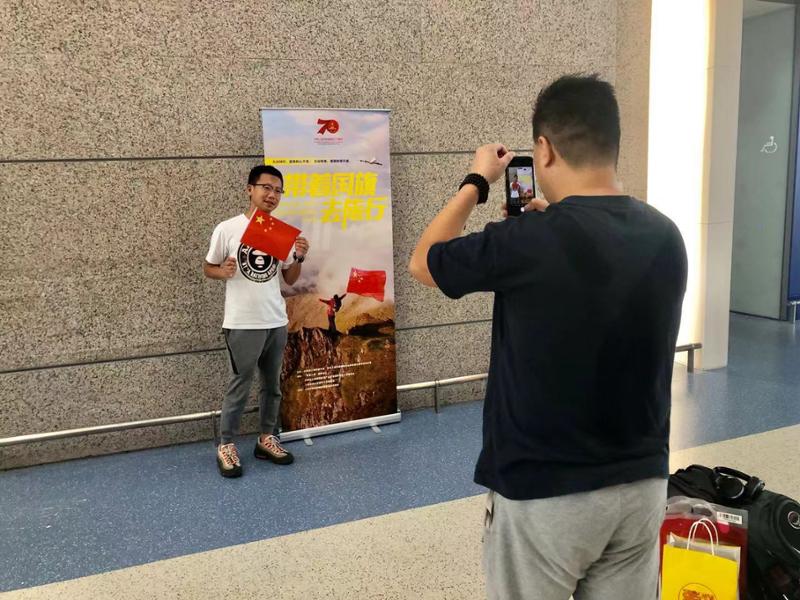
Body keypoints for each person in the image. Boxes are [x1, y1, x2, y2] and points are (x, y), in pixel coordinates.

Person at [408, 74, 687, 599]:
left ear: (545, 149)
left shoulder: (528, 240)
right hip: (642, 484)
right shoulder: (666, 234)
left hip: (545, 490)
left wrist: (476, 180)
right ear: (612, 142)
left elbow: (423, 261)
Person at [204, 164, 310, 478]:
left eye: (278, 190)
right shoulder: (228, 229)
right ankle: (226, 444)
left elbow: (290, 278)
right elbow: (208, 267)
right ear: (250, 189)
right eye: (266, 187)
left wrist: (299, 257)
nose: (272, 195)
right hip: (242, 322)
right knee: (239, 384)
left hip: (275, 319)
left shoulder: (279, 231)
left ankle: (267, 438)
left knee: (272, 385)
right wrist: (221, 271)